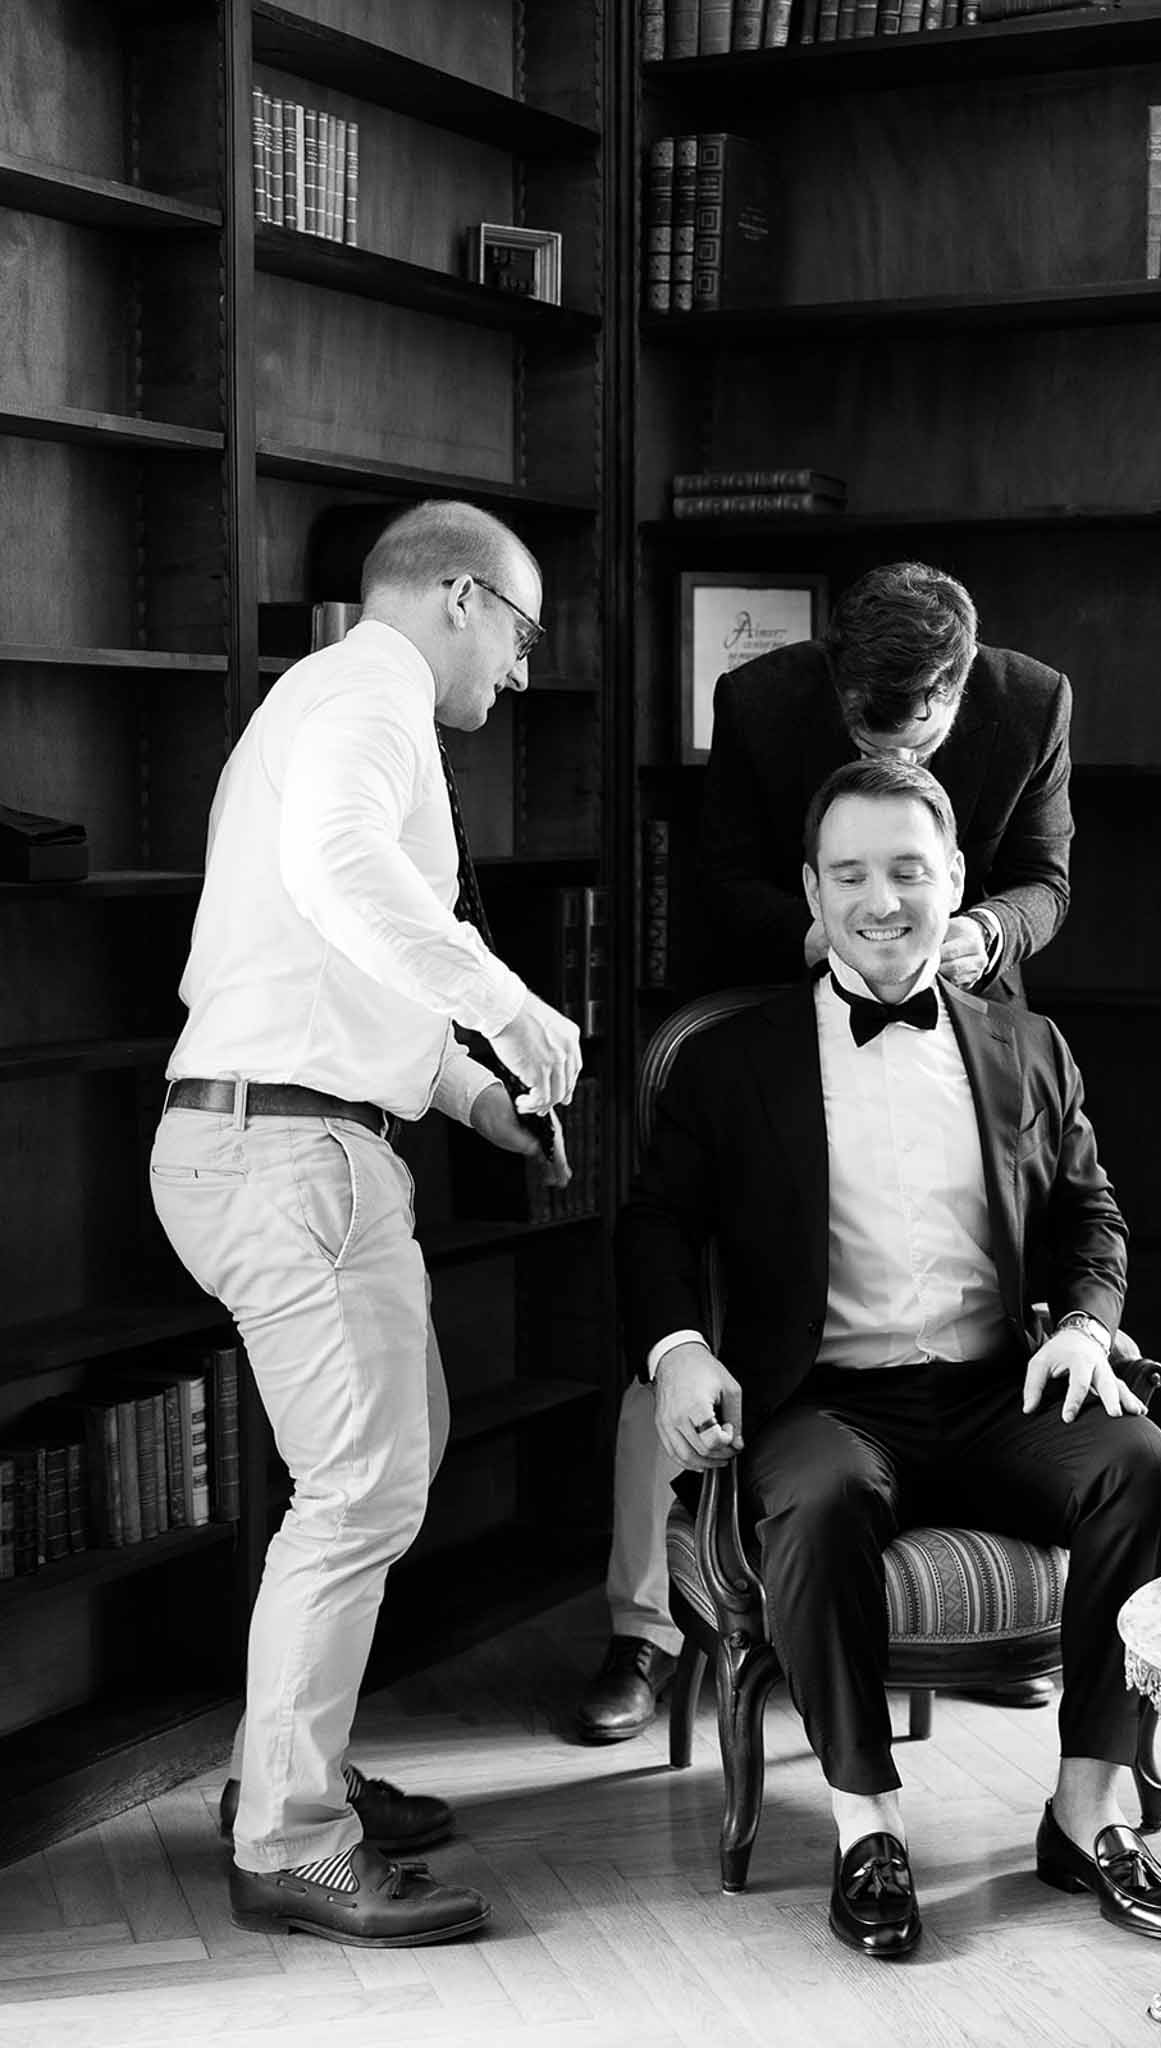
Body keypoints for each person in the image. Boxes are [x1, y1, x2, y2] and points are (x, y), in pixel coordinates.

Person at [615, 756, 1161, 1958]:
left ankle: (1085, 1812)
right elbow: (654, 1226)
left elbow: (1093, 1216)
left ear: (952, 881)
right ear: (811, 891)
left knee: (1149, 1470)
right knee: (822, 1494)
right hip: (827, 1398)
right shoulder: (736, 1061)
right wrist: (678, 1349)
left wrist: (1087, 1326)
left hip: (1000, 1389)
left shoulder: (1028, 1045)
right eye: (850, 874)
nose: (881, 901)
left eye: (906, 870)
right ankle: (865, 1826)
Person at [150, 500, 580, 1947]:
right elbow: (348, 882)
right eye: (520, 632)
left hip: (282, 1135)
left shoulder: (331, 700)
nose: (520, 671)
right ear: (459, 598)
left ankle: (287, 1773)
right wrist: (509, 1004)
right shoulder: (371, 692)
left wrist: (470, 1101)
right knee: (358, 1493)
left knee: (374, 1476)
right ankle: (288, 1837)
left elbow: (332, 959)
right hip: (289, 1153)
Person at [578, 560, 1075, 1742]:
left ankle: (960, 1618)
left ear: (962, 687)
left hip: (958, 1009)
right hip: (778, 1023)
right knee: (705, 1319)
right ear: (832, 681)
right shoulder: (758, 700)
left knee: (990, 1280)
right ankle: (643, 1630)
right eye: (867, 726)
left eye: (920, 729)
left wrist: (984, 928)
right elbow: (716, 881)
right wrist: (832, 925)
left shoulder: (1035, 703)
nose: (894, 747)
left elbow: (1048, 882)